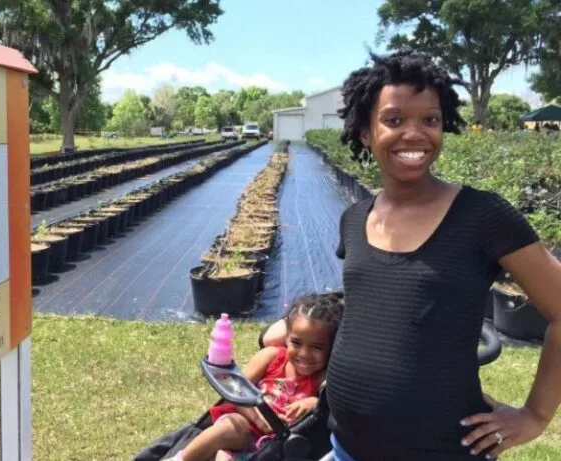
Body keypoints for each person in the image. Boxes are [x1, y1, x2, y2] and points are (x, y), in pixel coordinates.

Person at [263, 51, 561, 460]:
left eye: (430, 120)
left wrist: (535, 415)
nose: (415, 134)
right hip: (344, 445)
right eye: (395, 120)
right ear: (366, 132)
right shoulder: (354, 220)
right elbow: (370, 310)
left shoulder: (482, 216)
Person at [167, 293, 344, 461]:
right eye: (296, 343)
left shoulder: (324, 377)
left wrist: (313, 403)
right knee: (232, 428)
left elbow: (332, 407)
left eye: (317, 347)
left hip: (275, 448)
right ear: (286, 338)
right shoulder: (271, 357)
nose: (304, 354)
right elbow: (234, 388)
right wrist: (260, 419)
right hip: (244, 426)